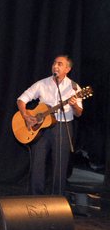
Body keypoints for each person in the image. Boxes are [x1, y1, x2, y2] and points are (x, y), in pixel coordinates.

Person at [17, 55, 83, 196]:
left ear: (68, 69)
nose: (55, 66)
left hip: (62, 128)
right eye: (54, 63)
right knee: (37, 165)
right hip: (41, 130)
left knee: (60, 165)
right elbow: (21, 99)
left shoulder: (74, 87)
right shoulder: (42, 84)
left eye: (60, 64)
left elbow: (79, 113)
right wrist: (25, 115)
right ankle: (34, 199)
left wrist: (75, 105)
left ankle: (57, 200)